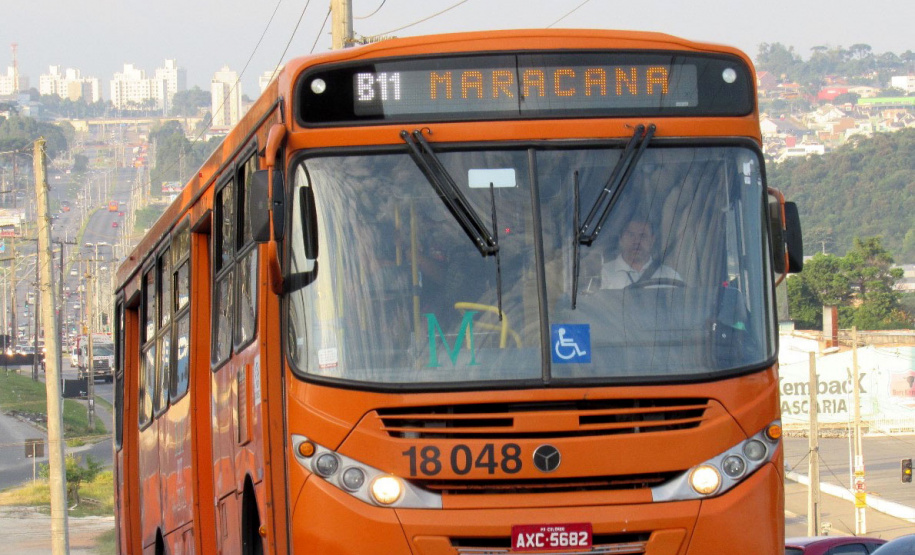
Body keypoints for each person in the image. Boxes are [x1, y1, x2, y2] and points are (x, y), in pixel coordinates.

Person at [600, 216, 681, 289]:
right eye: (631, 235)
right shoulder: (603, 275)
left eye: (643, 236)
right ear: (621, 239)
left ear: (652, 240)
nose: (637, 241)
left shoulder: (670, 276)